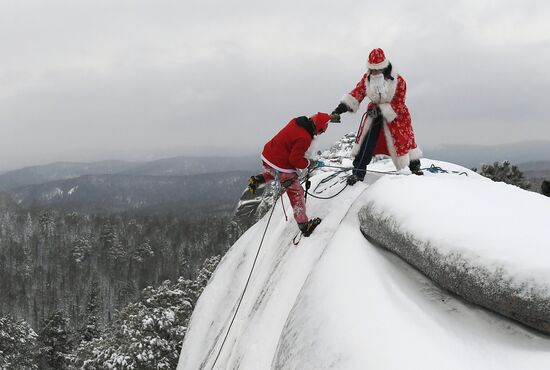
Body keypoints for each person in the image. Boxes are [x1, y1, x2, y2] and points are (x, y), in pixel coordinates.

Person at [331, 48, 423, 185]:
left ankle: (415, 168)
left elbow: (399, 102)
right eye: (371, 70)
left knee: (405, 141)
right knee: (366, 142)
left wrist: (382, 110)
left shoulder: (399, 81)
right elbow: (357, 94)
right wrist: (340, 109)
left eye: (376, 70)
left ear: (383, 68)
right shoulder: (367, 78)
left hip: (396, 116)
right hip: (374, 115)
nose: (374, 73)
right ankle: (358, 173)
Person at [248, 112, 333, 237]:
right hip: (280, 163)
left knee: (275, 172)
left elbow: (291, 146)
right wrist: (309, 163)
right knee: (296, 192)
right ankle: (304, 226)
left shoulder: (296, 122)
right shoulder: (305, 137)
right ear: (318, 127)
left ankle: (257, 180)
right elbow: (295, 160)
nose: (319, 134)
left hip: (268, 156)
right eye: (321, 132)